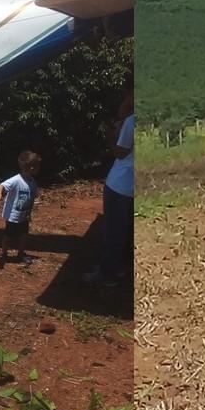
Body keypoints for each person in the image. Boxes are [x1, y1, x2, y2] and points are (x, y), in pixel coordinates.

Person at [84, 79, 134, 287]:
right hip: (132, 186)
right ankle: (118, 268)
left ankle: (107, 273)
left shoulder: (132, 122)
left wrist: (112, 135)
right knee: (125, 229)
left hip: (120, 184)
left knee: (113, 230)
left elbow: (119, 152)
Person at [0, 150, 41, 269]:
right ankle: (4, 253)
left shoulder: (32, 181)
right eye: (37, 167)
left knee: (23, 235)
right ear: (31, 168)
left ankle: (21, 253)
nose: (39, 169)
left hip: (24, 215)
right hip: (13, 215)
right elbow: (2, 185)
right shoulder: (16, 179)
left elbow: (34, 195)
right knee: (8, 235)